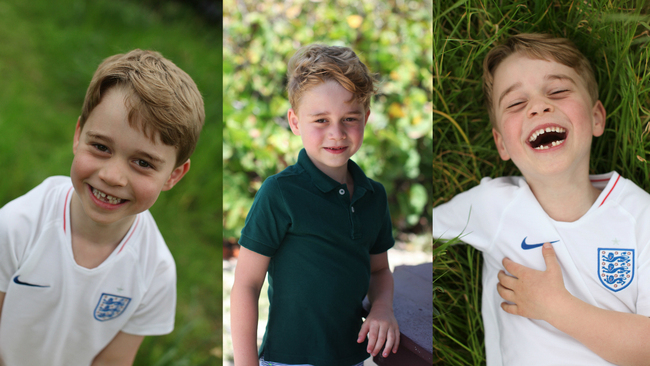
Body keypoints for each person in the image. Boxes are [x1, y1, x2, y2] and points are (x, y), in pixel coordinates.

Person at [433, 33, 650, 366]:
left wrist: (557, 308)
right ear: (502, 144)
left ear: (596, 118)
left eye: (558, 91)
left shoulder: (641, 217)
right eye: (517, 103)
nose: (538, 106)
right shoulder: (493, 206)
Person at [0, 49, 204, 365]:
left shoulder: (156, 272)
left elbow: (114, 361)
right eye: (100, 147)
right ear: (78, 134)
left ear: (174, 175)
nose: (111, 176)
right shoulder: (16, 227)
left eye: (142, 162)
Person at [230, 44, 400, 366]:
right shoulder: (279, 193)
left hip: (352, 356)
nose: (336, 133)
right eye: (321, 120)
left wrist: (382, 307)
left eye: (349, 118)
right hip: (288, 358)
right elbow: (246, 285)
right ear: (295, 123)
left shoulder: (373, 196)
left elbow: (379, 270)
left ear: (366, 118)